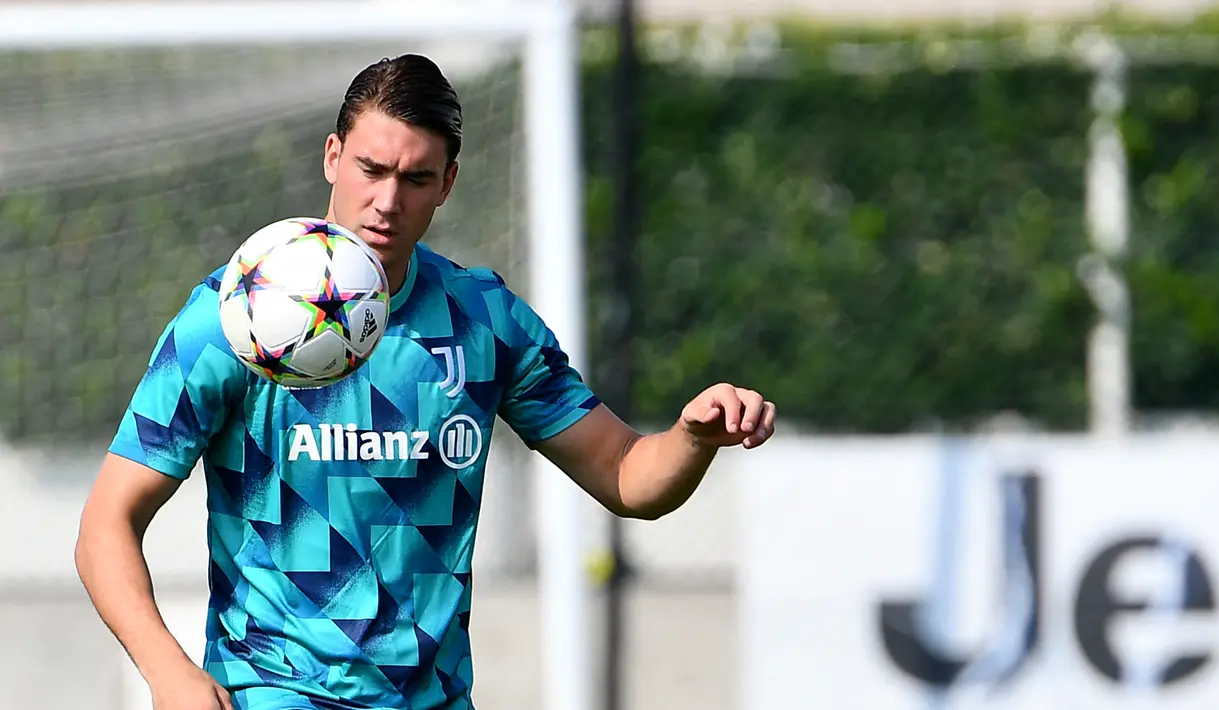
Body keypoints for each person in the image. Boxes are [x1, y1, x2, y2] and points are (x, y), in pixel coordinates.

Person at [74, 53, 776, 710]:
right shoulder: (235, 318)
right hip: (271, 690)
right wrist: (168, 671)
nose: (386, 200)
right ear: (332, 157)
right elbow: (107, 524)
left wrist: (691, 437)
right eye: (371, 169)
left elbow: (625, 475)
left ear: (447, 183)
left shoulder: (485, 323)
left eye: (414, 179)